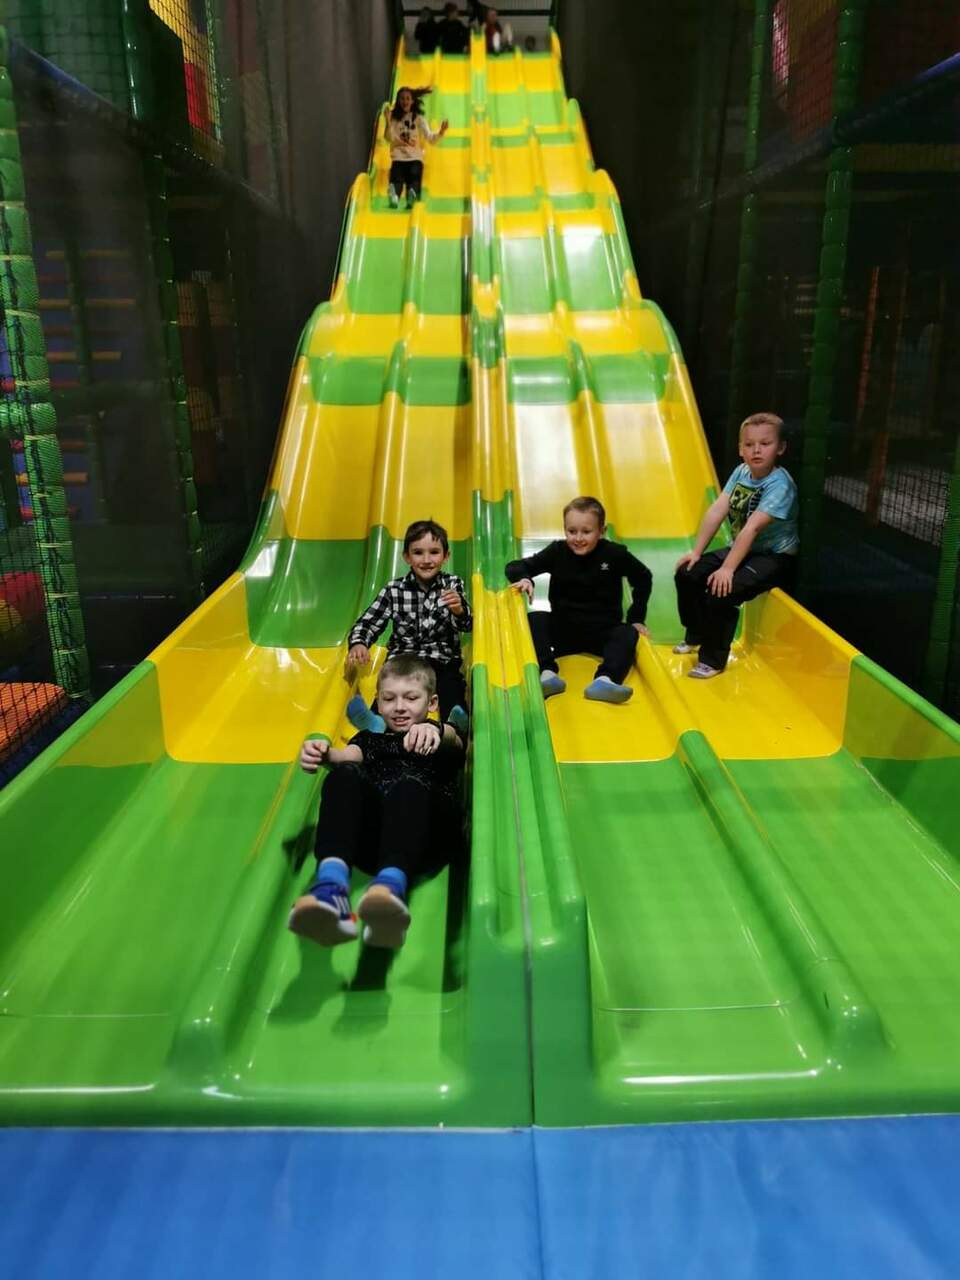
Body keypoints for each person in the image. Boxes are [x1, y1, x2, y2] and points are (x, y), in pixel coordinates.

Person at [289, 656, 464, 950]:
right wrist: (323, 754)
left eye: (411, 698)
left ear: (432, 703)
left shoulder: (436, 737)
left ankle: (390, 889)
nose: (399, 707)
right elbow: (344, 757)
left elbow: (456, 741)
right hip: (372, 844)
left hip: (426, 840)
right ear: (378, 704)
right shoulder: (370, 740)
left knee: (408, 785)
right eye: (389, 698)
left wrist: (435, 729)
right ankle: (332, 889)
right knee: (344, 774)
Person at [674, 412, 798, 678]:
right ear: (741, 449)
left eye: (765, 444)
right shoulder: (741, 472)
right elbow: (718, 509)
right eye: (749, 444)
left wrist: (728, 569)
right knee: (687, 572)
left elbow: (752, 527)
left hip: (774, 556)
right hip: (744, 549)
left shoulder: (780, 485)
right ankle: (696, 633)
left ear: (780, 448)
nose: (756, 450)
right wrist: (696, 552)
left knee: (722, 589)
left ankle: (712, 660)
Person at [505, 496, 652, 704]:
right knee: (535, 619)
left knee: (628, 632)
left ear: (601, 531)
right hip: (564, 629)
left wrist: (636, 618)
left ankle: (606, 679)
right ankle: (547, 674)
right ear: (564, 529)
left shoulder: (614, 554)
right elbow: (514, 566)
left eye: (586, 531)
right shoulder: (558, 552)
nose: (578, 538)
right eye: (571, 531)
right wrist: (525, 578)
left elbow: (643, 577)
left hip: (603, 631)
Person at [346, 518, 471, 733]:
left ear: (445, 556)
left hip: (442, 659)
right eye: (418, 552)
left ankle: (454, 725)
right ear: (407, 557)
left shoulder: (452, 585)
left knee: (450, 686)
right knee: (393, 689)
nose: (426, 560)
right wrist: (359, 642)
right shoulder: (394, 590)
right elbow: (368, 621)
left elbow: (467, 625)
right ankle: (377, 723)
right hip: (404, 660)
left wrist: (459, 610)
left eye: (434, 552)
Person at [383, 86, 448, 209]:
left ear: (412, 101)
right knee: (396, 179)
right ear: (398, 101)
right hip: (398, 157)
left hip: (415, 158)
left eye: (408, 98)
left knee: (414, 180)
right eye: (402, 98)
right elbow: (388, 138)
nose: (405, 101)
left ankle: (411, 196)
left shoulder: (418, 119)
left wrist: (441, 132)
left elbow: (430, 138)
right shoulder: (393, 118)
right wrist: (388, 122)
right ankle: (394, 197)